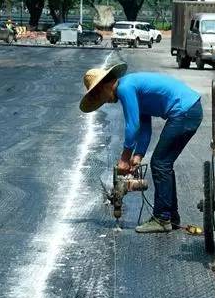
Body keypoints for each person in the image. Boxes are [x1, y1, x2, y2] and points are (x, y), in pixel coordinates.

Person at [80, 64, 203, 233]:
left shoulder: (125, 88)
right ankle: (171, 217)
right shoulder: (132, 87)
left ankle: (162, 218)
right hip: (190, 111)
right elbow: (145, 127)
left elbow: (132, 126)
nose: (105, 101)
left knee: (160, 163)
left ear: (105, 86)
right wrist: (137, 155)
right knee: (164, 163)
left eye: (100, 96)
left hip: (184, 112)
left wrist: (124, 158)